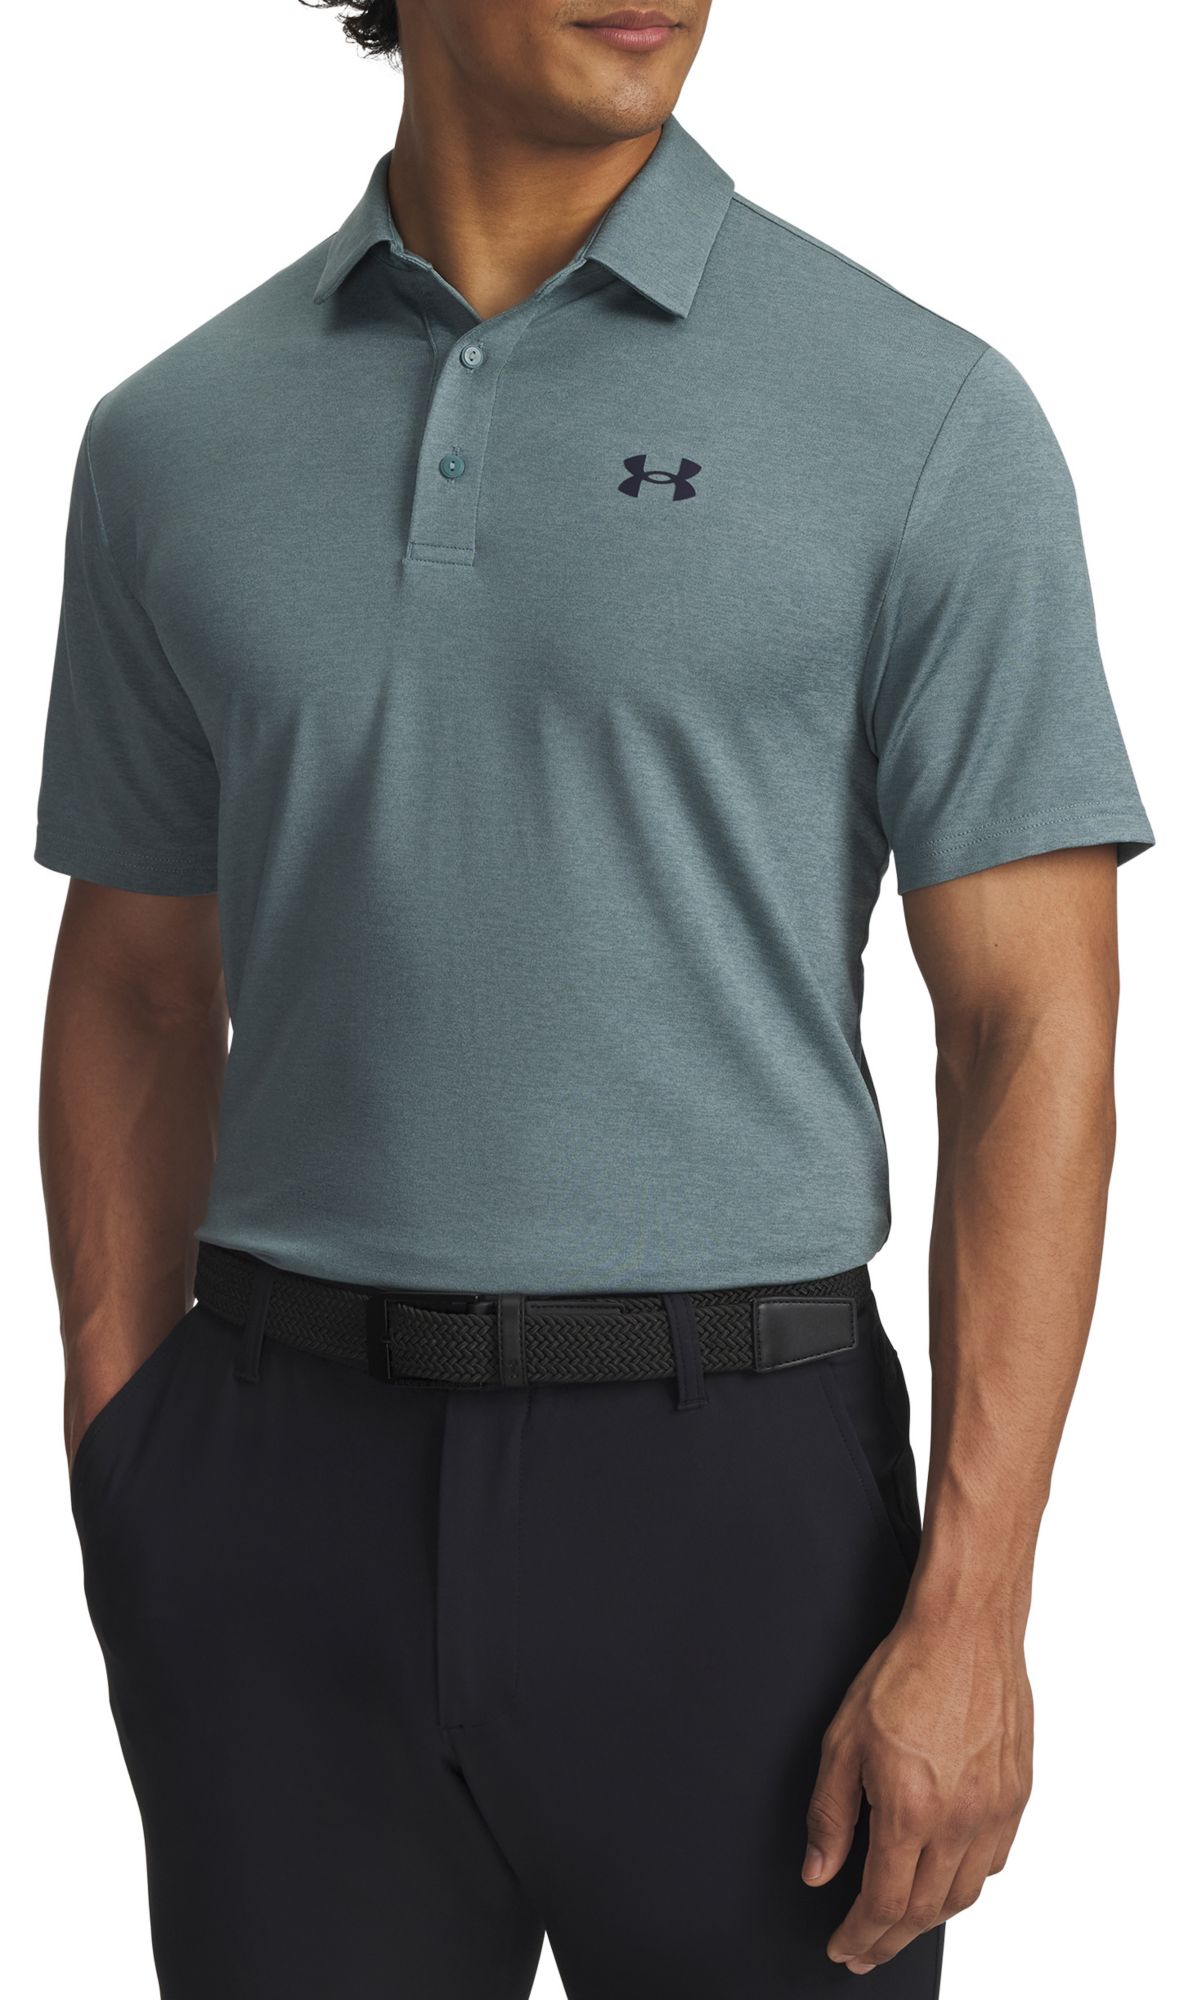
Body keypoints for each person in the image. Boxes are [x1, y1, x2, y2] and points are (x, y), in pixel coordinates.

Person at [35, 3, 1153, 1995]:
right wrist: (129, 1456)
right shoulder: (169, 441)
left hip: (737, 1512)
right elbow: (132, 981)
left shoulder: (921, 415)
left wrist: (974, 1604)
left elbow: (1030, 1032)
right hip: (275, 1497)